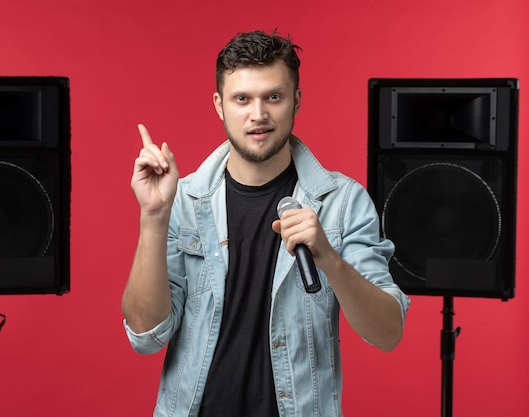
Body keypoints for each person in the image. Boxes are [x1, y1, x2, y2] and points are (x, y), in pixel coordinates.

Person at [122, 30, 410, 417]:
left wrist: (329, 259)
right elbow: (145, 336)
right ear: (220, 105)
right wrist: (154, 218)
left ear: (296, 101)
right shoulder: (184, 202)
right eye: (242, 99)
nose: (259, 115)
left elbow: (387, 332)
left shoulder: (342, 202)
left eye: (273, 97)